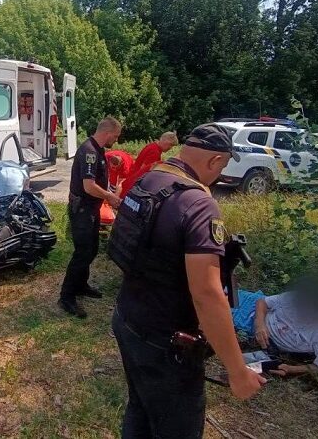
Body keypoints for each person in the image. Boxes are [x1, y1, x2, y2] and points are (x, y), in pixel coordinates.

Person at [112, 124, 265, 438]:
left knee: (140, 408)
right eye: (223, 166)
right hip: (169, 344)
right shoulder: (199, 204)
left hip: (128, 320)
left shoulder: (151, 178)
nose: (220, 174)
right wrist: (237, 371)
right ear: (214, 161)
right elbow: (207, 295)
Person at [59, 117, 123, 318]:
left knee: (92, 249)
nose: (117, 140)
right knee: (83, 252)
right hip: (82, 210)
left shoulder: (98, 150)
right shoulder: (89, 151)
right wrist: (110, 197)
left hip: (91, 209)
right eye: (116, 136)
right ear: (108, 133)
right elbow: (88, 186)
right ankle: (66, 296)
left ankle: (80, 285)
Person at [251, 280, 318, 376]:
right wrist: (260, 324)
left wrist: (291, 369)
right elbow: (262, 302)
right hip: (256, 320)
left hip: (271, 349)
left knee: (247, 367)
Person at [118, 131, 179, 198]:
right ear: (165, 141)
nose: (170, 148)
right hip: (133, 183)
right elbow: (144, 171)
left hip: (131, 177)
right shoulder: (155, 152)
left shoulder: (152, 145)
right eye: (170, 145)